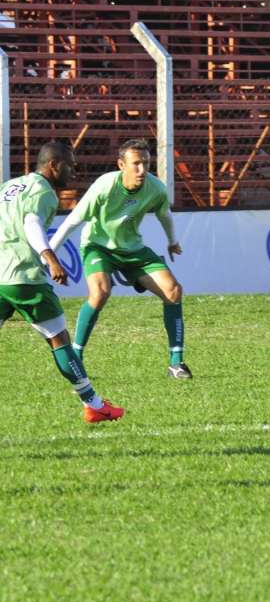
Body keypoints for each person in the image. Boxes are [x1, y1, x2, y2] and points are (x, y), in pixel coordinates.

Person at [0, 141, 124, 422]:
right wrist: (51, 258)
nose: (75, 171)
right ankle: (93, 404)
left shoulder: (10, 186)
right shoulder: (43, 192)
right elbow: (31, 223)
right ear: (53, 165)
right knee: (60, 340)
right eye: (70, 165)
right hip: (23, 278)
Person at [49, 138, 191, 379]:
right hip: (98, 247)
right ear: (121, 165)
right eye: (136, 163)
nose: (142, 170)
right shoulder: (105, 186)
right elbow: (73, 220)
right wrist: (49, 253)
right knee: (100, 292)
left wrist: (172, 240)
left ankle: (176, 363)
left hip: (133, 250)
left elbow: (164, 213)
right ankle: (76, 356)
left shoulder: (155, 187)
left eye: (146, 163)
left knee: (173, 290)